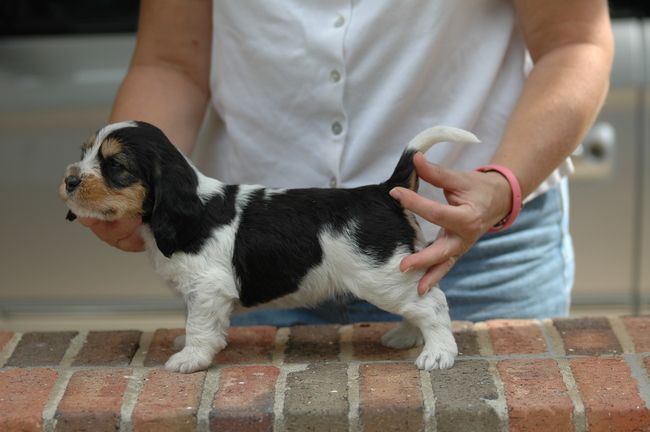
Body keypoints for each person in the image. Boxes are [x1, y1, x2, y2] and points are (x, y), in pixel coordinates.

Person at [78, 0, 613, 324]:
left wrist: (501, 184)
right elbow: (172, 61)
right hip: (252, 251)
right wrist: (130, 182)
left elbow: (574, 41)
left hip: (476, 257)